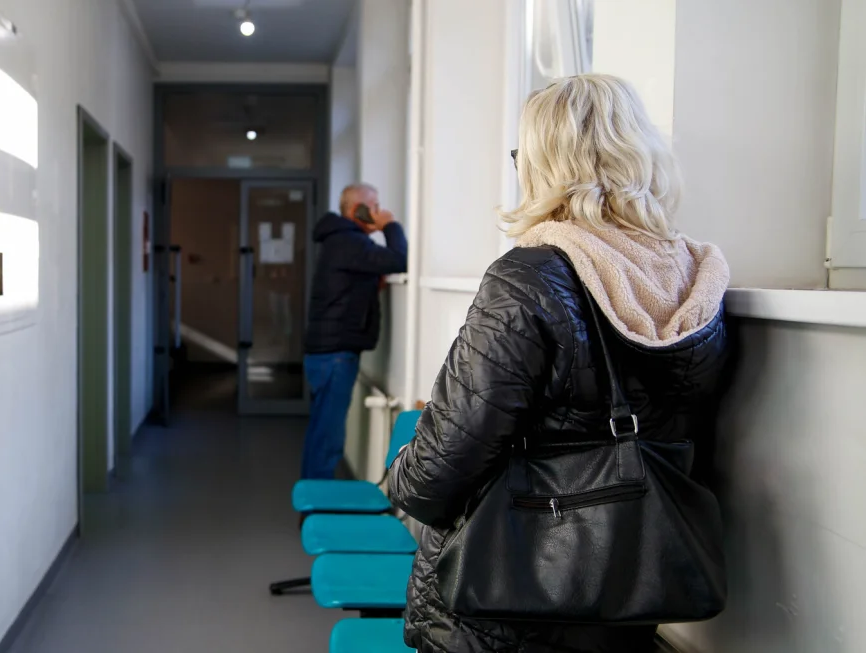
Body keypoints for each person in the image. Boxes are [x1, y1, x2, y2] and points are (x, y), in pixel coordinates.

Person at [386, 74, 732, 652]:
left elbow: (437, 472)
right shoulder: (693, 281)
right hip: (625, 594)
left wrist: (398, 469)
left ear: (544, 164)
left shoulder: (529, 278)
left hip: (504, 604)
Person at [300, 183, 408, 480]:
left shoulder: (341, 240)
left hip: (327, 353)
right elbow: (399, 259)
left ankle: (311, 496)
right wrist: (390, 225)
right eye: (374, 207)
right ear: (357, 209)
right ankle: (318, 500)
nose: (379, 211)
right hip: (335, 355)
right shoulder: (348, 241)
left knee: (320, 433)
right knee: (328, 438)